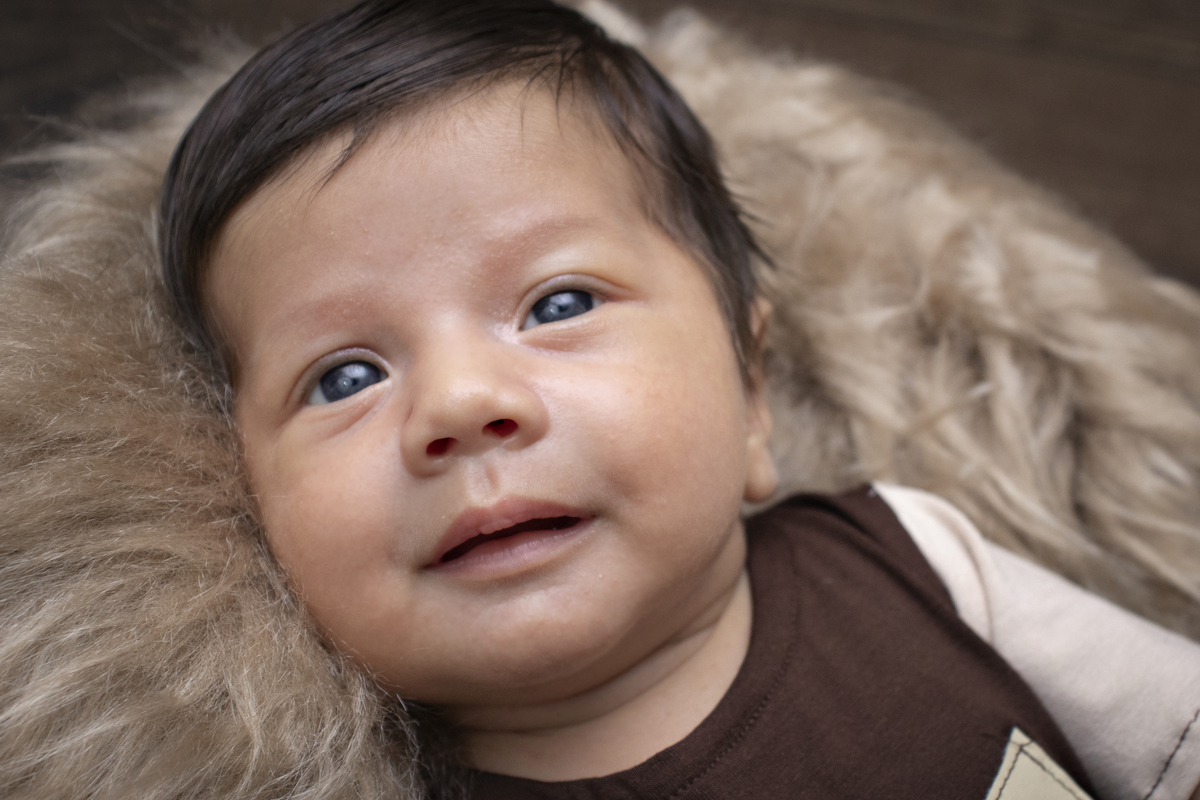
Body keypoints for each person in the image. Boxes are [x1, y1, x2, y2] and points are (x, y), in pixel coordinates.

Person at [1, 1, 1198, 798]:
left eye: (559, 302)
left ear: (754, 397)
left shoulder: (921, 560)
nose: (463, 404)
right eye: (345, 376)